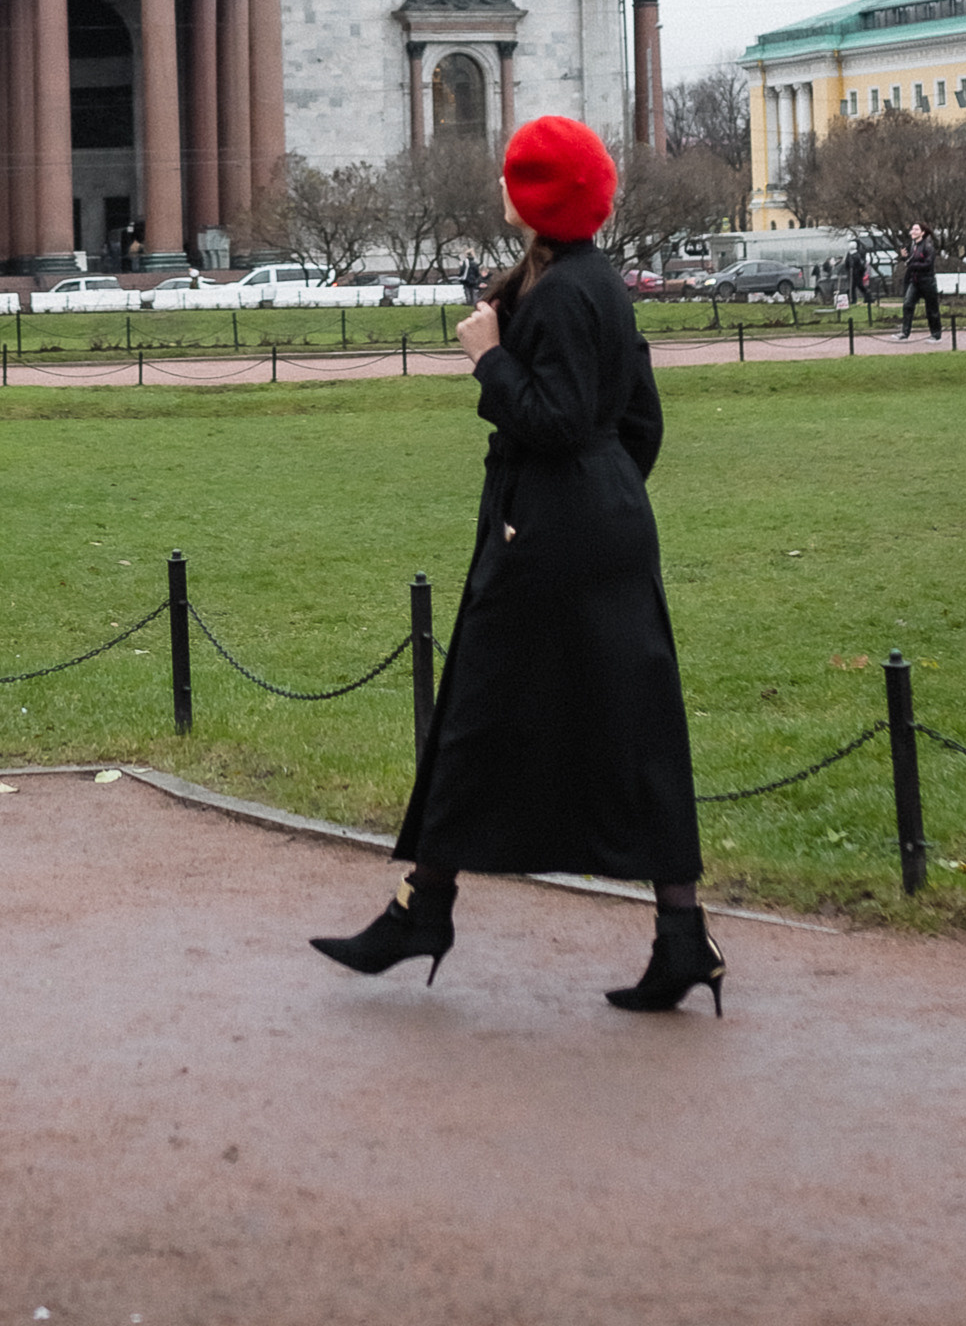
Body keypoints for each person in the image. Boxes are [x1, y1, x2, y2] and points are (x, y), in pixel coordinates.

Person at [310, 112, 723, 1017]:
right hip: (596, 522)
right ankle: (680, 935)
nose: (502, 185)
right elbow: (639, 424)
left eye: (514, 174)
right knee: (628, 728)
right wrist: (606, 498)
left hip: (545, 534)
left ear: (538, 196)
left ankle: (424, 913)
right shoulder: (591, 283)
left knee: (478, 715)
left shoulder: (567, 293)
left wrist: (490, 360)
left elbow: (558, 419)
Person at [899, 224, 941, 342]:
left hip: (927, 281)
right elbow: (909, 260)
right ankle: (904, 333)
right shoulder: (912, 246)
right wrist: (904, 257)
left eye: (916, 229)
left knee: (931, 309)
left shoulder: (928, 246)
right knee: (907, 305)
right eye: (912, 229)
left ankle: (936, 335)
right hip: (915, 281)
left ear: (922, 233)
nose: (913, 231)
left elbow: (928, 264)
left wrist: (912, 265)